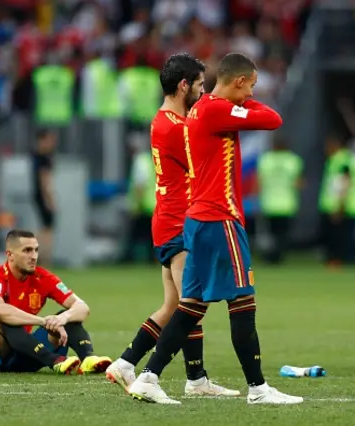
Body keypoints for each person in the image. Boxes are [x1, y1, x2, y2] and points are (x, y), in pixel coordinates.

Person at [127, 53, 303, 405]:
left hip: (198, 219)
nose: (252, 92)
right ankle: (258, 389)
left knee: (190, 305)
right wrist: (247, 100)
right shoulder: (215, 109)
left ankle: (147, 376)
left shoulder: (200, 109)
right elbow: (273, 119)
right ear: (238, 82)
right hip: (219, 217)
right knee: (242, 300)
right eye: (250, 85)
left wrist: (241, 96)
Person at [106, 53, 238, 397]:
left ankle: (128, 363)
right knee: (190, 304)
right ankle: (173, 378)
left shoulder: (164, 121)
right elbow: (208, 147)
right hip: (178, 221)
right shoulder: (177, 128)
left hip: (171, 218)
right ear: (183, 85)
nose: (202, 91)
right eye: (198, 85)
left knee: (173, 305)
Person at [0, 229, 112, 374]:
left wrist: (61, 319)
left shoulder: (42, 278)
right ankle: (54, 361)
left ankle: (88, 359)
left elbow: (82, 307)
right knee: (5, 319)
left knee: (67, 314)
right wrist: (43, 321)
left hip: (21, 352)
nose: (34, 256)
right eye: (27, 251)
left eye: (36, 250)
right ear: (10, 255)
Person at [32, 129, 56, 265]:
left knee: (45, 227)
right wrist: (49, 198)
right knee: (47, 228)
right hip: (42, 195)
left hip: (39, 194)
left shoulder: (36, 156)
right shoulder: (43, 158)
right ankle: (45, 259)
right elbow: (44, 179)